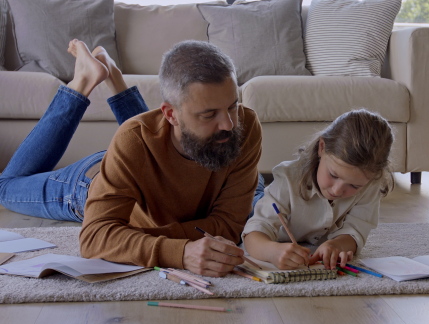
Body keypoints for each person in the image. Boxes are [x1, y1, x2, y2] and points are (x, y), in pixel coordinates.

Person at [0, 39, 264, 277]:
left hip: (150, 158)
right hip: (90, 183)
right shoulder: (134, 140)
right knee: (6, 186)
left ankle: (113, 76)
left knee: (153, 135)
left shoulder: (244, 125)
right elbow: (95, 239)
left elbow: (229, 225)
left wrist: (131, 240)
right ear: (170, 114)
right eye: (209, 115)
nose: (229, 124)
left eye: (232, 106)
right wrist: (179, 251)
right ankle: (82, 82)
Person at [242, 109, 394, 271]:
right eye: (333, 175)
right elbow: (254, 233)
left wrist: (336, 245)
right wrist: (272, 252)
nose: (337, 190)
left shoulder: (370, 183)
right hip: (258, 203)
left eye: (354, 186)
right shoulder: (288, 178)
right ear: (322, 147)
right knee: (249, 190)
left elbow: (356, 230)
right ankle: (255, 178)